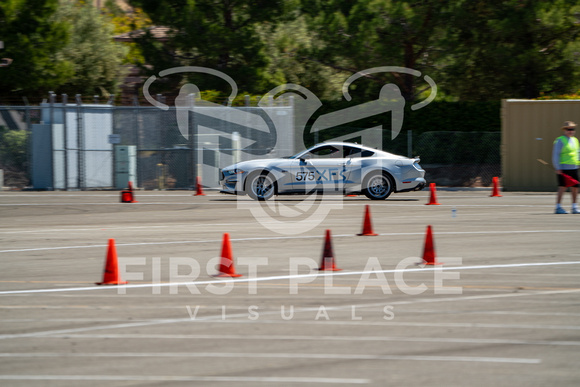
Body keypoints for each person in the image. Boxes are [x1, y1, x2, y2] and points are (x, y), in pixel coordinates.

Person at [552, 121, 580, 214]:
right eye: (568, 129)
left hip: (574, 167)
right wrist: (557, 167)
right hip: (564, 168)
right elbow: (556, 154)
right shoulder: (560, 140)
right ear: (564, 130)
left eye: (572, 129)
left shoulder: (575, 140)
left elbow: (578, 153)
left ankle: (574, 207)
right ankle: (558, 207)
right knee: (562, 187)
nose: (570, 131)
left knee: (575, 187)